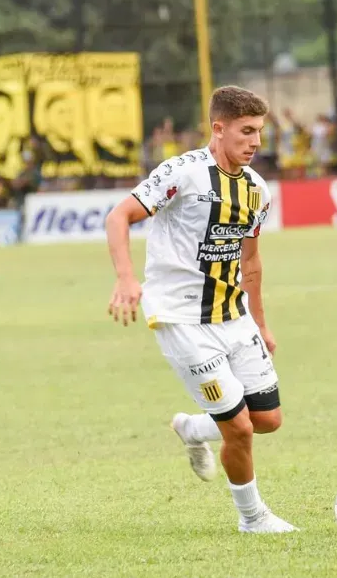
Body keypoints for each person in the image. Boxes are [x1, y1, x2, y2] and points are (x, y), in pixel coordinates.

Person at [105, 86, 296, 534]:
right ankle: (253, 519)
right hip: (182, 320)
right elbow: (119, 217)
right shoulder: (182, 173)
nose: (255, 142)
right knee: (240, 430)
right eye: (246, 131)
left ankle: (194, 428)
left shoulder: (256, 189)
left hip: (234, 316)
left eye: (260, 132)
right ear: (218, 128)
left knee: (267, 420)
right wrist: (126, 278)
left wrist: (262, 324)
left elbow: (250, 260)